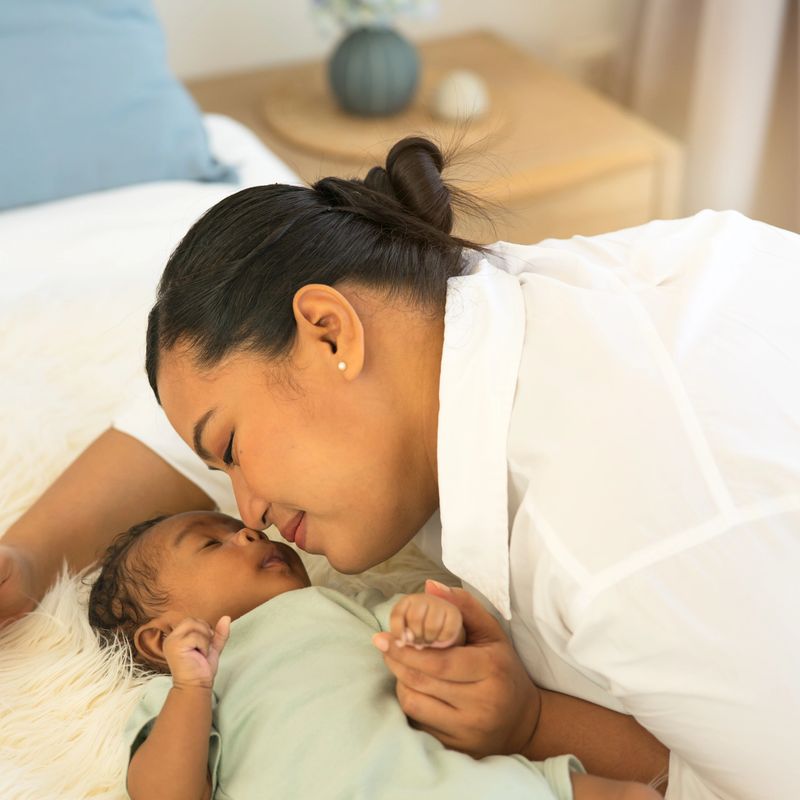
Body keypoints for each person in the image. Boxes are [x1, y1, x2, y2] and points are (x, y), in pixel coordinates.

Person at [4, 135, 799, 798]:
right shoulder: (451, 306)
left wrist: (536, 726)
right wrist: (30, 556)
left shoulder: (616, 543)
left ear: (329, 332)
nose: (245, 513)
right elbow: (184, 416)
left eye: (234, 451)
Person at [89, 509, 659, 800]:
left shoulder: (340, 607)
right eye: (213, 543)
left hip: (444, 783)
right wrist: (192, 690)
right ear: (156, 640)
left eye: (243, 530)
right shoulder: (178, 695)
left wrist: (430, 623)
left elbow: (420, 649)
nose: (251, 535)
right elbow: (164, 792)